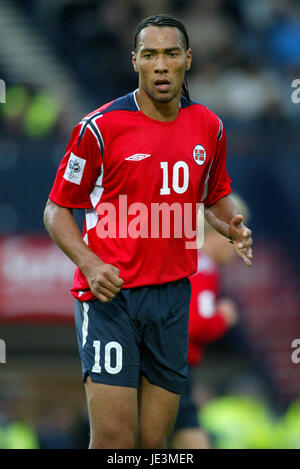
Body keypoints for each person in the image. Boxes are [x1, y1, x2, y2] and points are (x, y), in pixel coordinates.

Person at [43, 14, 253, 449]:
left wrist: (231, 225)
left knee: (155, 445)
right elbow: (56, 211)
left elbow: (212, 197)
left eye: (171, 54)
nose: (161, 65)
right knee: (116, 443)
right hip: (112, 299)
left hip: (173, 298)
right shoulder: (98, 129)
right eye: (151, 54)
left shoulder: (209, 127)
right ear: (134, 60)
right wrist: (90, 263)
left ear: (187, 59)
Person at [170, 194, 248, 449]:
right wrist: (222, 318)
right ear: (217, 232)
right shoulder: (202, 266)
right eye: (237, 235)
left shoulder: (182, 259)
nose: (241, 245)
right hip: (176, 366)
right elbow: (195, 324)